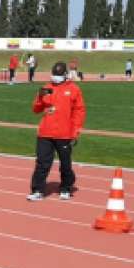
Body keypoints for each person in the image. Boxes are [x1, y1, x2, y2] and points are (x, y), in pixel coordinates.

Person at [28, 62, 86, 201]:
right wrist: (39, 98)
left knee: (65, 163)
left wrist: (76, 131)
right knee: (42, 162)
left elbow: (79, 111)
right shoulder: (47, 88)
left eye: (58, 76)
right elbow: (36, 109)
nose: (55, 78)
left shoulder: (73, 89)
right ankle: (37, 190)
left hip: (65, 133)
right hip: (45, 132)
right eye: (54, 75)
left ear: (65, 75)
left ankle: (65, 188)